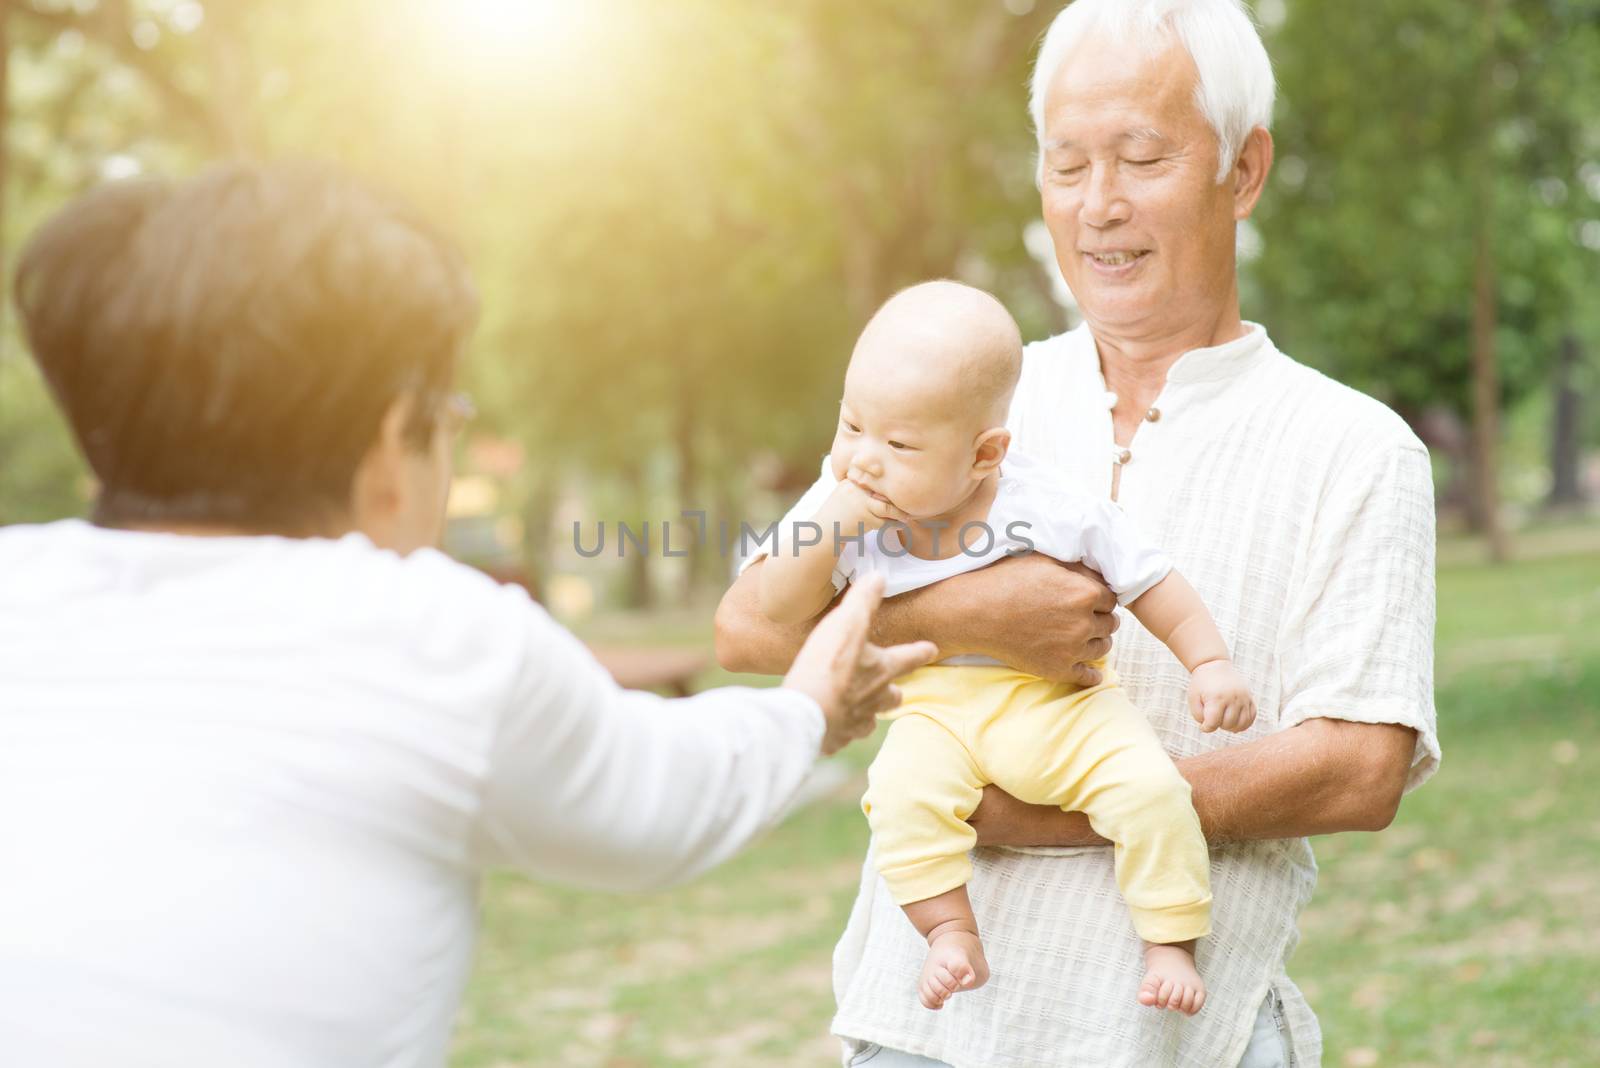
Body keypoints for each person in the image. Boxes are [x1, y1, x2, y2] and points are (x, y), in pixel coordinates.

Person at [0, 162, 937, 1068]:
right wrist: (812, 706)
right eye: (446, 417)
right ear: (389, 440)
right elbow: (664, 802)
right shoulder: (432, 639)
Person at [715, 1, 1439, 1064]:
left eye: (1140, 157)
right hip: (921, 1034)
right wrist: (973, 613)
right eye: (1065, 166)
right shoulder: (954, 386)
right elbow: (750, 633)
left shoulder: (1354, 448)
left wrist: (1026, 815)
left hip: (1185, 1038)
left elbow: (1359, 768)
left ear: (1242, 173)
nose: (1097, 206)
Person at [759, 280, 1258, 1016]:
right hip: (933, 711)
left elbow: (1151, 578)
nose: (865, 459)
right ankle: (950, 931)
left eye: (898, 444)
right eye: (852, 425)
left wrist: (1208, 661)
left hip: (1057, 705)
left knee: (1150, 790)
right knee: (899, 796)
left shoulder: (1047, 504)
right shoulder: (854, 515)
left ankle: (1171, 939)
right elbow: (775, 606)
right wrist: (832, 522)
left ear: (985, 453)